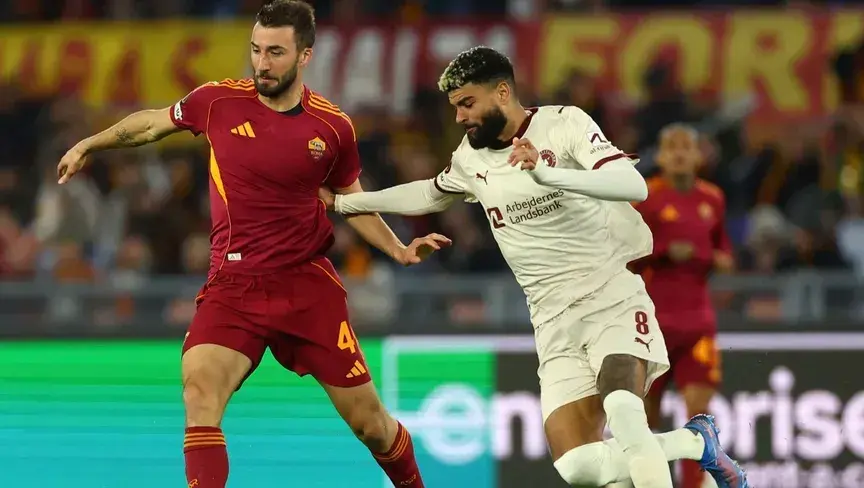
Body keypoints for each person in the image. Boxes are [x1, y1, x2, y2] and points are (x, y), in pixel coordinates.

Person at [320, 46, 749, 488]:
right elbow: (429, 193)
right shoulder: (470, 158)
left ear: (502, 93)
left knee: (626, 418)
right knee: (578, 466)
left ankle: (687, 444)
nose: (459, 117)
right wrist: (345, 203)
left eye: (467, 103)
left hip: (610, 298)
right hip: (551, 319)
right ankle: (695, 442)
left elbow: (633, 184)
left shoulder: (565, 124)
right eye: (455, 107)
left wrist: (547, 175)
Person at [55, 2, 446, 487]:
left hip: (306, 287)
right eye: (256, 50)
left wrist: (399, 249)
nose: (262, 63)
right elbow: (152, 123)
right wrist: (89, 144)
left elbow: (352, 199)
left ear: (305, 55)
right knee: (200, 394)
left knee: (372, 426)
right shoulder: (217, 101)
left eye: (276, 52)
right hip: (234, 285)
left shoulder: (332, 127)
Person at [632, 124, 734, 488]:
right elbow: (624, 255)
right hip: (651, 328)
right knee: (644, 422)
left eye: (686, 147)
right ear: (660, 156)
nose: (678, 153)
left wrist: (703, 255)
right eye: (671, 147)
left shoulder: (713, 199)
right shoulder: (645, 198)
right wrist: (662, 252)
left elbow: (726, 257)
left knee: (699, 419)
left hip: (697, 325)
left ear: (698, 156)